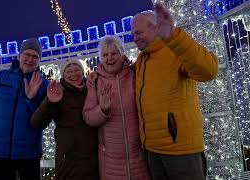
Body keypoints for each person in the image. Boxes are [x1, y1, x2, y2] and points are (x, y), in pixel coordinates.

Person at [131, 3, 218, 180]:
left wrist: (173, 36)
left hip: (181, 151)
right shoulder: (142, 60)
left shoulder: (175, 51)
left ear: (156, 28)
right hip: (153, 150)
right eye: (133, 34)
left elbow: (209, 71)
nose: (134, 38)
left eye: (138, 33)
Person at [0, 38, 49, 180]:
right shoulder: (0, 78)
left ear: (39, 60)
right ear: (19, 56)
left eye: (35, 56)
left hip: (29, 153)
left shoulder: (44, 84)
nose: (30, 59)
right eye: (27, 54)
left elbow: (42, 121)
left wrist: (30, 99)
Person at [83, 35, 150, 180]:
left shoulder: (135, 75)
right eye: (105, 55)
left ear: (122, 54)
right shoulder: (95, 82)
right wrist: (102, 109)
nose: (110, 58)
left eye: (114, 53)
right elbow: (88, 117)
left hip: (139, 156)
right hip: (111, 161)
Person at [30, 59, 99, 180]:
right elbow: (36, 123)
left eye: (77, 70)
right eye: (69, 71)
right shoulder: (58, 92)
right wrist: (49, 102)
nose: (74, 74)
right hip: (68, 161)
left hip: (93, 158)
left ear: (82, 72)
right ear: (63, 75)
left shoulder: (91, 90)